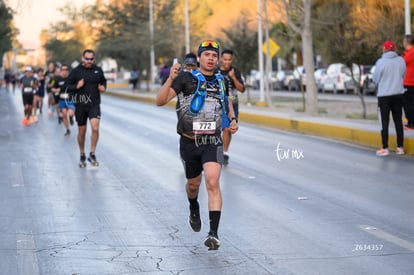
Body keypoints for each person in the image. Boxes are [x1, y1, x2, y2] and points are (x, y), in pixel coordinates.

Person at [156, 40, 239, 250]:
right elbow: (160, 101)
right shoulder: (185, 78)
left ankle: (213, 233)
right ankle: (193, 207)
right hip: (189, 141)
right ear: (200, 57)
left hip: (212, 140)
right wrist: (170, 79)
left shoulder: (222, 80)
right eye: (207, 54)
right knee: (193, 185)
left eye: (214, 55)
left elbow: (226, 99)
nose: (211, 58)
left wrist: (232, 117)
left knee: (212, 182)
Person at [66, 49, 107, 167]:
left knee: (95, 128)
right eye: (87, 59)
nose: (89, 61)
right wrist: (77, 86)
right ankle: (82, 154)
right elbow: (68, 86)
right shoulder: (76, 71)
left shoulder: (97, 70)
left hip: (94, 104)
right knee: (82, 131)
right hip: (80, 104)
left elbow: (103, 81)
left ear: (94, 59)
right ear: (82, 58)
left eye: (91, 59)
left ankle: (92, 153)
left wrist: (103, 87)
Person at [372, 40, 406, 156]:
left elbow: (375, 79)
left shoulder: (380, 62)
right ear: (394, 49)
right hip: (398, 94)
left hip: (384, 96)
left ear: (384, 49)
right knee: (398, 121)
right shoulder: (401, 60)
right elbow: (403, 75)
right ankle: (400, 147)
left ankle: (385, 148)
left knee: (384, 122)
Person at [218, 49, 245, 166]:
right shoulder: (216, 72)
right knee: (222, 129)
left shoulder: (235, 72)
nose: (227, 62)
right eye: (225, 59)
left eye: (229, 60)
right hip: (218, 105)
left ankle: (225, 152)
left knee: (228, 129)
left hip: (232, 105)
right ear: (220, 59)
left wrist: (233, 77)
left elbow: (242, 89)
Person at [54, 65, 75, 136]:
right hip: (62, 99)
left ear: (68, 71)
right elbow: (52, 88)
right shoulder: (57, 79)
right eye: (63, 69)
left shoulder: (71, 79)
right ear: (61, 71)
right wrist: (56, 90)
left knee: (71, 113)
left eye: (66, 69)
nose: (64, 71)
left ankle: (71, 117)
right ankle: (67, 129)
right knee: (64, 115)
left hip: (70, 99)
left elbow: (76, 87)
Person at [402, 34, 414, 130]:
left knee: (408, 104)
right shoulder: (408, 52)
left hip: (409, 83)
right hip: (409, 82)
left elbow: (402, 63)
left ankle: (411, 123)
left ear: (407, 42)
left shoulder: (411, 53)